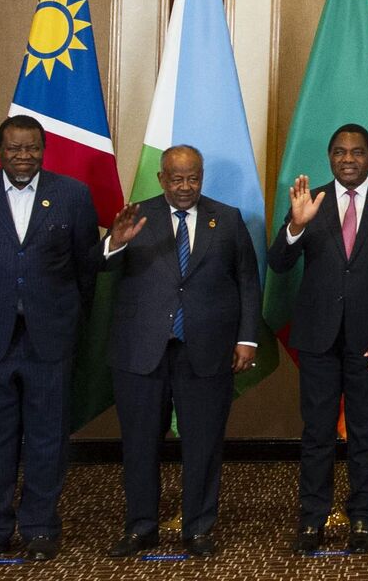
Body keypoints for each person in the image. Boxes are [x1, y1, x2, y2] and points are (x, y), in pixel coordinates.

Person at [0, 115, 100, 562]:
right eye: (14, 149)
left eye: (31, 149)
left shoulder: (72, 195)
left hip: (51, 340)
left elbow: (86, 267)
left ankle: (40, 527)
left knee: (48, 438)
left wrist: (69, 321)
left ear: (43, 150)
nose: (23, 157)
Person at [100, 146, 261, 558]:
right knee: (138, 443)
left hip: (206, 349)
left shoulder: (225, 218)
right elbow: (98, 268)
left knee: (203, 444)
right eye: (177, 179)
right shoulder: (135, 216)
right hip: (141, 350)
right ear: (161, 178)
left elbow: (247, 281)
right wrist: (113, 244)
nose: (186, 186)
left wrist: (247, 338)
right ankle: (141, 527)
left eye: (193, 178)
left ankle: (199, 528)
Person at [267, 123, 368, 554]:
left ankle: (363, 518)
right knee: (316, 433)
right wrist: (295, 227)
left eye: (356, 152)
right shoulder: (308, 201)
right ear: (329, 157)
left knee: (365, 433)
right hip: (317, 337)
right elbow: (278, 264)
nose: (347, 159)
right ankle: (312, 519)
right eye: (338, 152)